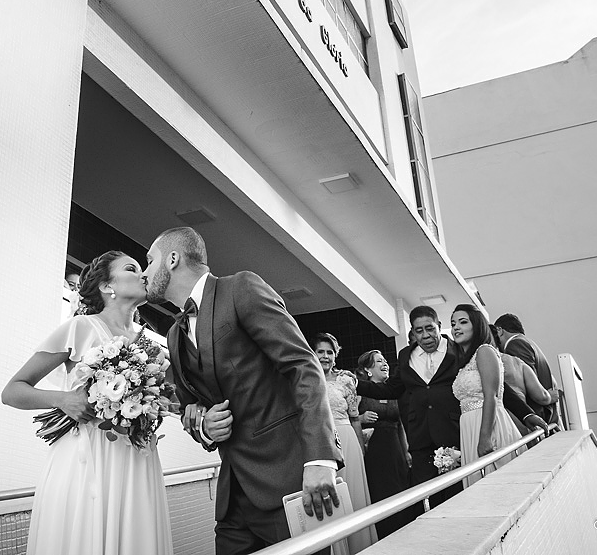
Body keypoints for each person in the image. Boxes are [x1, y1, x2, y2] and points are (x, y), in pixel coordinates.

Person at [145, 226, 341, 555]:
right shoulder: (175, 336)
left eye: (150, 261)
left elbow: (302, 366)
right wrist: (204, 428)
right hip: (234, 496)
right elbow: (189, 409)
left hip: (289, 480)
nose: (145, 271)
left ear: (173, 259)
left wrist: (320, 459)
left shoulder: (241, 288)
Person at [2, 251, 173, 555]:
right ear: (108, 286)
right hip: (89, 458)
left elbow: (170, 400)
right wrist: (64, 400)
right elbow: (13, 390)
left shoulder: (150, 346)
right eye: (132, 268)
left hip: (136, 459)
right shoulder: (80, 327)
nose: (143, 274)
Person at [357, 306, 545, 507]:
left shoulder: (460, 351)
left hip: (456, 433)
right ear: (412, 332)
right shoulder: (405, 356)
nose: (425, 335)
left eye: (429, 328)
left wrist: (526, 414)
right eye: (419, 331)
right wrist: (356, 384)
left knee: (464, 495)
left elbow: (495, 386)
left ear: (438, 326)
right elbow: (391, 389)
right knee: (429, 501)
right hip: (420, 438)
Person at [311, 333, 377, 554]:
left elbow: (355, 417)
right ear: (312, 353)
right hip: (321, 443)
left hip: (347, 439)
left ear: (335, 355)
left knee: (353, 495)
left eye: (329, 352)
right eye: (321, 351)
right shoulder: (305, 379)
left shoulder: (346, 380)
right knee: (332, 497)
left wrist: (360, 448)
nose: (325, 356)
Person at [449, 304, 524, 487]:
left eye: (463, 322)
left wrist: (485, 437)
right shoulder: (466, 361)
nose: (456, 327)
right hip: (469, 426)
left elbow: (491, 396)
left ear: (477, 325)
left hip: (487, 425)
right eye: (453, 324)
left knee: (497, 486)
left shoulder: (484, 351)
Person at [355, 350, 415, 538]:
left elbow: (400, 424)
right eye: (379, 361)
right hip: (374, 448)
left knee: (401, 486)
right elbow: (347, 417)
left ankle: (406, 529)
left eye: (385, 360)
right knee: (381, 490)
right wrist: (362, 417)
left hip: (395, 447)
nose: (385, 364)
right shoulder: (361, 392)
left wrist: (406, 450)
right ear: (368, 369)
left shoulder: (394, 390)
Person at [493, 313, 558, 423]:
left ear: (499, 330)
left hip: (536, 413)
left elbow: (524, 382)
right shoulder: (530, 343)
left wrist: (547, 398)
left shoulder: (515, 344)